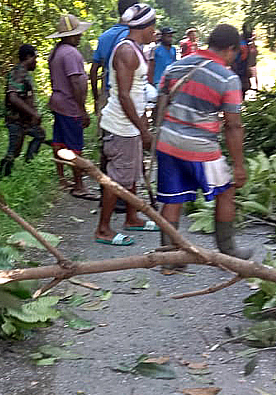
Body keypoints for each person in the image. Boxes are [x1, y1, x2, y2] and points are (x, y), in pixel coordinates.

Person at [156, 24, 253, 271]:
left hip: (167, 142)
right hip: (201, 148)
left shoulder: (175, 66)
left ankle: (170, 259)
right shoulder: (228, 78)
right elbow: (233, 126)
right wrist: (238, 165)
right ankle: (228, 250)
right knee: (226, 191)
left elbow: (160, 104)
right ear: (231, 49)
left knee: (173, 199)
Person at [95, 3, 158, 247]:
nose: (156, 31)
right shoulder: (127, 52)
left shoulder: (137, 49)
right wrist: (143, 130)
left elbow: (138, 93)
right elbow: (123, 95)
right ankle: (103, 229)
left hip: (130, 126)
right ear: (145, 27)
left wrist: (143, 127)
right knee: (116, 179)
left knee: (131, 174)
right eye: (153, 26)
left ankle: (132, 218)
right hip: (120, 126)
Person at [47, 13, 94, 198]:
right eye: (77, 34)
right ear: (70, 35)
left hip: (58, 102)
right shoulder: (71, 53)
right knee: (75, 145)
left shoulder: (56, 51)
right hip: (69, 105)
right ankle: (79, 185)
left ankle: (62, 178)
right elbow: (76, 82)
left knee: (58, 141)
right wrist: (82, 109)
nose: (80, 36)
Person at [0, 44, 45, 177]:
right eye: (35, 58)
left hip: (25, 120)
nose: (36, 61)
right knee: (14, 151)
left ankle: (29, 164)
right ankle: (4, 176)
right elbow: (13, 97)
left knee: (40, 135)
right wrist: (33, 113)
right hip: (16, 120)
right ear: (27, 57)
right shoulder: (18, 72)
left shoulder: (25, 74)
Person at [231, 24, 258, 97]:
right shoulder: (241, 41)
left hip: (243, 67)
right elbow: (244, 54)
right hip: (239, 67)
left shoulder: (247, 40)